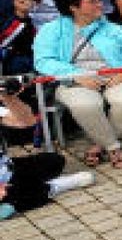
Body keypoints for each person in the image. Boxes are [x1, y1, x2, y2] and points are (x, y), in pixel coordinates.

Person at [33, 0, 122, 168]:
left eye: (99, 0)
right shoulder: (52, 30)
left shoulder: (114, 29)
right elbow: (43, 60)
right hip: (72, 80)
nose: (99, 5)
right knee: (86, 104)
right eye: (92, 1)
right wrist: (75, 75)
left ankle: (98, 145)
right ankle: (113, 148)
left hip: (113, 77)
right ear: (73, 7)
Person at [0, 90, 94, 219]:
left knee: (55, 161)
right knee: (21, 196)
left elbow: (27, 121)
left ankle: (23, 189)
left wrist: (8, 98)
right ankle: (53, 187)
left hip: (7, 169)